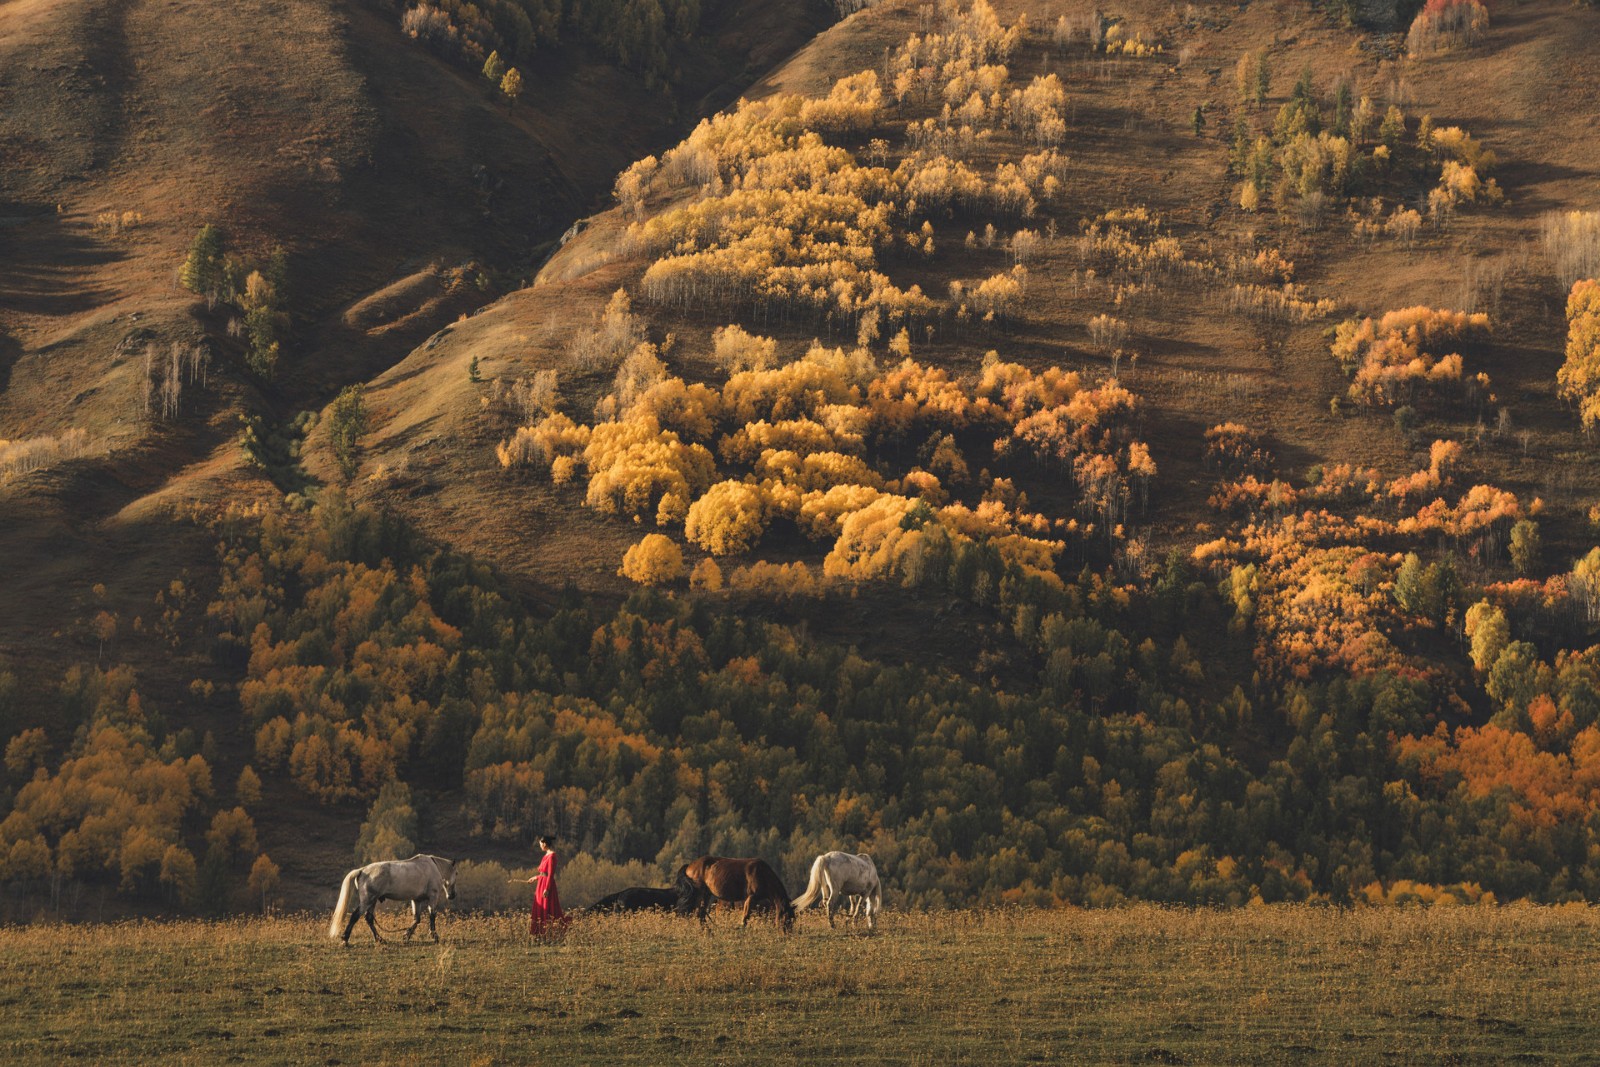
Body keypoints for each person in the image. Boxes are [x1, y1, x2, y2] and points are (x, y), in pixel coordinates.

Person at [526, 834, 567, 938]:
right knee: (540, 906)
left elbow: (550, 874)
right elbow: (543, 873)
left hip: (546, 886)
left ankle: (550, 933)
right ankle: (539, 933)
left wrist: (547, 889)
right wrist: (535, 877)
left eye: (540, 844)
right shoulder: (545, 856)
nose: (540, 846)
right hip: (541, 884)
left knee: (548, 907)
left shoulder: (552, 856)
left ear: (544, 844)